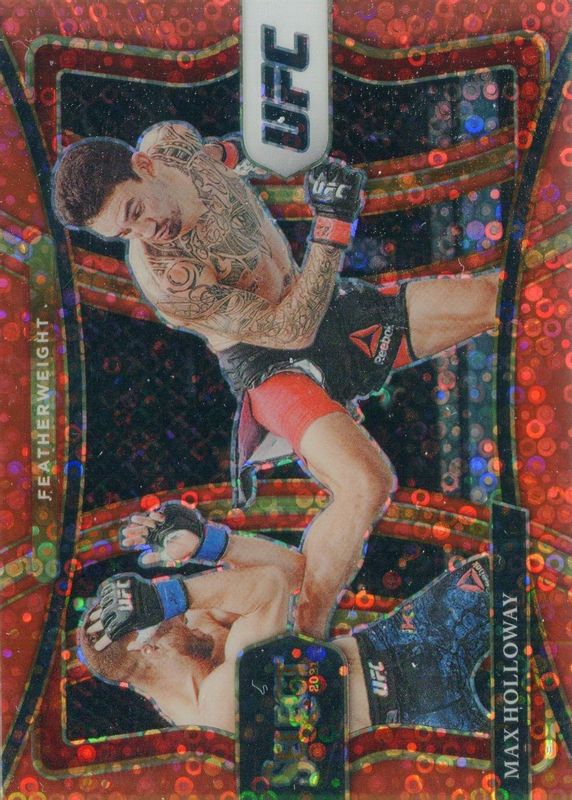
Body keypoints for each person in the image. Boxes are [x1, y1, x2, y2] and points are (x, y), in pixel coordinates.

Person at [53, 122, 500, 637]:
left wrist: (300, 153)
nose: (144, 231)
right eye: (124, 233)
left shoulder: (172, 142)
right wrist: (332, 222)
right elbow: (291, 329)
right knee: (366, 484)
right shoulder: (169, 277)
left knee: (492, 299)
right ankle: (308, 635)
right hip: (271, 366)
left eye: (135, 211)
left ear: (145, 165)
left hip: (328, 309)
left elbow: (244, 151)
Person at [79, 502, 491, 736]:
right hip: (414, 719)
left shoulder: (197, 632)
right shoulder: (212, 716)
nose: (182, 618)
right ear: (149, 648)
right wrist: (168, 596)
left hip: (399, 639)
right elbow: (270, 587)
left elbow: (295, 574)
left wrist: (207, 543)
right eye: (167, 618)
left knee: (508, 567)